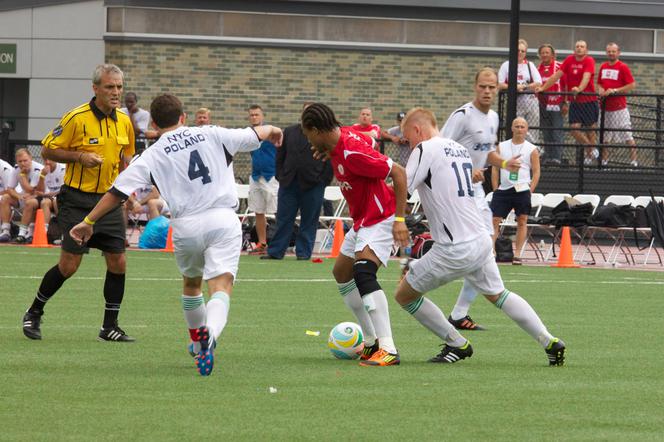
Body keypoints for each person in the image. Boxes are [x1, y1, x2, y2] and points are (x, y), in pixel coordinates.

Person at [70, 94, 283, 376]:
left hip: (185, 225)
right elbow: (258, 132)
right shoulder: (212, 134)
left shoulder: (152, 155)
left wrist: (88, 221)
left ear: (154, 123)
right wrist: (274, 131)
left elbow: (118, 192)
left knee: (192, 285)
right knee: (220, 286)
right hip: (221, 218)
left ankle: (197, 342)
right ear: (183, 117)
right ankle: (209, 335)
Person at [397, 107, 565, 366]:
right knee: (499, 295)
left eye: (408, 139)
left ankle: (457, 344)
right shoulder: (459, 149)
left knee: (404, 295)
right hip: (481, 240)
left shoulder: (424, 149)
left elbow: (402, 186)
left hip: (454, 247)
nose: (409, 145)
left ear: (418, 130)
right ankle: (549, 340)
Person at [21, 64, 136, 342]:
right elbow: (48, 148)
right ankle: (34, 312)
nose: (116, 92)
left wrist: (128, 190)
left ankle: (110, 326)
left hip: (108, 200)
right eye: (110, 87)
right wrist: (79, 157)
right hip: (76, 199)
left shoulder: (124, 121)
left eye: (119, 87)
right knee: (69, 265)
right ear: (95, 88)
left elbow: (127, 159)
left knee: (118, 261)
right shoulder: (77, 117)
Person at [301, 103, 409, 366]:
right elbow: (362, 137)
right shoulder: (339, 140)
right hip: (363, 219)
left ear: (317, 130)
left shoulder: (352, 152)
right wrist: (326, 150)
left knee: (363, 272)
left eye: (308, 135)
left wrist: (400, 219)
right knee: (341, 272)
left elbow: (399, 172)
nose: (308, 141)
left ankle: (388, 349)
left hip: (381, 218)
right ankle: (370, 342)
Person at [440, 67, 522, 331]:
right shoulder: (462, 116)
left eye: (492, 87)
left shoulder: (494, 118)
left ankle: (459, 314)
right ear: (475, 87)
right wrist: (466, 169)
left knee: (485, 247)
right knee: (477, 249)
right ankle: (417, 263)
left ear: (497, 89)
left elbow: (487, 154)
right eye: (483, 86)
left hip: (475, 191)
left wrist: (505, 162)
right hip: (455, 190)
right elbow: (439, 150)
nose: (487, 91)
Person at [261, 103, 333, 260]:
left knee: (309, 220)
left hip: (314, 184)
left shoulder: (323, 134)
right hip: (289, 182)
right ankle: (276, 251)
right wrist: (280, 175)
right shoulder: (289, 131)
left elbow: (330, 160)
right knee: (283, 218)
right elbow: (280, 155)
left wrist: (323, 180)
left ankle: (303, 253)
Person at [538, 40, 598, 165]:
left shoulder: (589, 61)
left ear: (586, 50)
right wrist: (543, 88)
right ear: (574, 49)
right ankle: (591, 148)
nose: (579, 49)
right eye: (577, 47)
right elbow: (555, 76)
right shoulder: (569, 60)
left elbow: (586, 77)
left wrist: (579, 89)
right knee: (573, 129)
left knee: (590, 130)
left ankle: (589, 156)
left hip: (589, 100)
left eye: (582, 47)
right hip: (575, 102)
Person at [490, 118, 540, 264]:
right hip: (504, 188)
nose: (519, 129)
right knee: (494, 220)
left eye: (522, 126)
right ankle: (491, 251)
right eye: (517, 126)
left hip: (522, 188)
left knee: (522, 220)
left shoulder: (532, 149)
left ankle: (517, 254)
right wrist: (495, 188)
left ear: (526, 129)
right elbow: (495, 168)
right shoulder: (502, 146)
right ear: (512, 128)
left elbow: (536, 172)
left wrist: (530, 190)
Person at [597, 42, 637, 167]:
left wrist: (614, 91)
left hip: (619, 108)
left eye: (613, 51)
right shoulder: (603, 66)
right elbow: (599, 83)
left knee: (627, 134)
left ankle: (634, 162)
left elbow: (631, 85)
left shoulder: (623, 67)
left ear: (618, 52)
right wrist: (600, 90)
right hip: (604, 108)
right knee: (605, 136)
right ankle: (604, 162)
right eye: (609, 51)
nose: (611, 53)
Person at [247, 104, 278, 255]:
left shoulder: (270, 133)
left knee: (277, 211)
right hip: (255, 176)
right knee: (258, 211)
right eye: (252, 115)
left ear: (262, 116)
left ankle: (280, 243)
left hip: (271, 175)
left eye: (256, 114)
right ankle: (262, 243)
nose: (254, 117)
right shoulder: (248, 134)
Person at [498, 39, 542, 144]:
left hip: (531, 101)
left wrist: (525, 86)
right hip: (516, 102)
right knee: (518, 128)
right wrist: (515, 87)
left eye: (523, 51)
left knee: (533, 129)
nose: (520, 53)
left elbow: (538, 82)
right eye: (518, 50)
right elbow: (500, 84)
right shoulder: (506, 65)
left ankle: (532, 150)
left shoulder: (529, 65)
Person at [0, 148, 44, 243]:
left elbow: (31, 190)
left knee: (30, 202)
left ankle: (24, 234)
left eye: (25, 160)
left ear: (31, 158)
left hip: (39, 198)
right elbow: (10, 188)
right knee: (5, 198)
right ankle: (6, 231)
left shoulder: (38, 169)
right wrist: (18, 196)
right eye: (20, 161)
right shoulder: (16, 168)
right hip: (24, 197)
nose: (23, 164)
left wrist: (23, 175)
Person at [537, 43, 567, 165]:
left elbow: (566, 85)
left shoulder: (560, 67)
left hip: (557, 103)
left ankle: (557, 157)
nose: (544, 55)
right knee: (546, 130)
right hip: (542, 104)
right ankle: (548, 156)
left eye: (547, 52)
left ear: (552, 54)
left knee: (556, 129)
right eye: (542, 53)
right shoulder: (536, 69)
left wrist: (566, 102)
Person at [35, 159, 66, 233]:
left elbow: (63, 191)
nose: (47, 162)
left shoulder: (63, 169)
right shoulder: (42, 171)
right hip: (49, 198)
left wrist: (46, 194)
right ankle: (44, 231)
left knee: (56, 201)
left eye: (50, 159)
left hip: (63, 197)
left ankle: (62, 230)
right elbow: (39, 191)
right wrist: (42, 176)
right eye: (45, 160)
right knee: (44, 203)